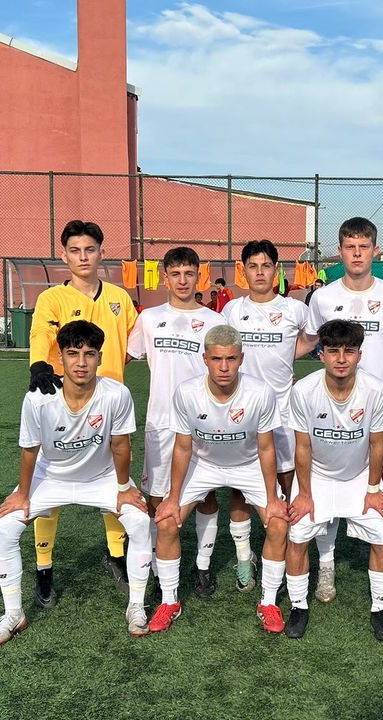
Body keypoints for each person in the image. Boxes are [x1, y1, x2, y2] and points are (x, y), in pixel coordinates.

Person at [0, 320, 153, 645]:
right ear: (60, 357)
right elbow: (29, 449)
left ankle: (136, 606)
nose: (81, 362)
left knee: (139, 522)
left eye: (89, 354)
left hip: (101, 477)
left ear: (100, 358)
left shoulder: (116, 394)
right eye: (73, 353)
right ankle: (13, 613)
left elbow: (121, 445)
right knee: (4, 528)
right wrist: (23, 494)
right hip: (50, 477)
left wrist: (124, 489)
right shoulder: (39, 398)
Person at [25, 220, 139, 607]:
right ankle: (44, 569)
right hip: (62, 403)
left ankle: (117, 556)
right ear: (65, 256)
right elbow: (42, 334)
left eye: (90, 249)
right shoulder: (52, 298)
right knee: (48, 485)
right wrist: (40, 365)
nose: (83, 257)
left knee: (114, 479)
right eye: (75, 251)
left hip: (108, 408)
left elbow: (138, 339)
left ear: (101, 253)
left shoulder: (119, 298)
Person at [148, 325, 289, 634]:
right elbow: (182, 447)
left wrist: (273, 498)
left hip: (248, 465)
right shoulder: (187, 392)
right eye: (216, 359)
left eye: (231, 359)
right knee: (167, 521)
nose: (224, 367)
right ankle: (169, 601)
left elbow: (266, 447)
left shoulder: (260, 393)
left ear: (241, 358)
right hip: (203, 464)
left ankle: (268, 602)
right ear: (205, 359)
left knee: (278, 523)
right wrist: (172, 498)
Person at [305, 217, 383, 605]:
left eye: (363, 247)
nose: (356, 254)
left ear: (375, 250)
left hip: (379, 409)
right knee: (328, 481)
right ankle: (326, 566)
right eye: (350, 247)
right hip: (332, 407)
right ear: (340, 251)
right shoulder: (322, 298)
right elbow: (309, 343)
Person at [127, 246, 240, 598]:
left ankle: (202, 567)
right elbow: (123, 358)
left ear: (198, 277)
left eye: (189, 273)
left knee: (206, 495)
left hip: (202, 422)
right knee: (157, 497)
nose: (182, 280)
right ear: (165, 278)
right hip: (161, 421)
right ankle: (157, 568)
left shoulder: (214, 321)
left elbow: (227, 371)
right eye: (175, 274)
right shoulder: (148, 319)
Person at [284, 320, 383, 641]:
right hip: (317, 476)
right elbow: (302, 446)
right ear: (321, 354)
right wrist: (304, 494)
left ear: (360, 355)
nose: (341, 359)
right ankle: (298, 606)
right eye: (333, 351)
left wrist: (373, 489)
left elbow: (377, 443)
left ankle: (379, 609)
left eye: (349, 351)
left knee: (381, 536)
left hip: (360, 476)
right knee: (297, 536)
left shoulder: (377, 390)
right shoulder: (304, 391)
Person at [222, 240, 317, 589]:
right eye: (253, 266)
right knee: (240, 486)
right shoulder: (232, 310)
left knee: (287, 479)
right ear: (243, 271)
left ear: (277, 271)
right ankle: (244, 557)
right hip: (241, 410)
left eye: (266, 266)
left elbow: (311, 339)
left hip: (283, 409)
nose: (260, 272)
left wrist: (289, 355)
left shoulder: (294, 309)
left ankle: (288, 546)